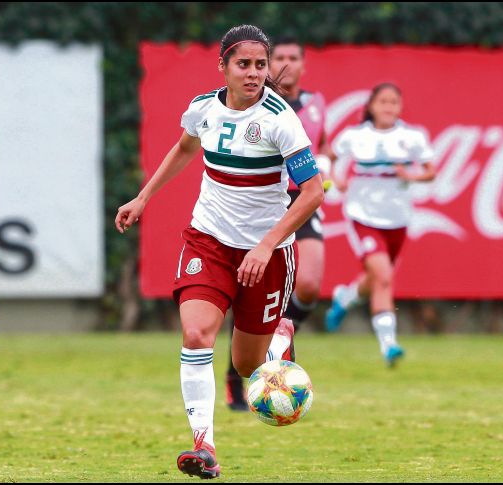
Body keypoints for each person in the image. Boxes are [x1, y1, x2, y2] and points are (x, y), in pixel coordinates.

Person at [115, 24, 323, 479]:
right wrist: (143, 197)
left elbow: (312, 192)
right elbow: (185, 147)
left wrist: (267, 246)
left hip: (266, 254)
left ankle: (282, 332)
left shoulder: (280, 118)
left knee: (247, 365)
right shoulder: (203, 108)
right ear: (224, 66)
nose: (252, 73)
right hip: (207, 240)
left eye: (260, 65)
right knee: (196, 335)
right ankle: (203, 445)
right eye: (243, 64)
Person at [224, 36, 329, 411]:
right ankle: (239, 380)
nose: (286, 63)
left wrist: (327, 167)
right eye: (279, 57)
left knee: (311, 283)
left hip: (302, 203)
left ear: (302, 64)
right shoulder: (259, 106)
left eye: (292, 57)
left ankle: (284, 330)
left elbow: (323, 149)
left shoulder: (316, 105)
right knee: (248, 298)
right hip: (265, 208)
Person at [323, 82, 436, 367]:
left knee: (376, 277)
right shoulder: (355, 136)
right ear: (371, 106)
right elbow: (327, 158)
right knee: (384, 276)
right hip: (362, 216)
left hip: (397, 218)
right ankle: (389, 345)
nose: (388, 107)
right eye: (383, 101)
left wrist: (410, 175)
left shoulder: (412, 137)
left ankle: (346, 297)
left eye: (394, 102)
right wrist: (334, 179)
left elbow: (430, 172)